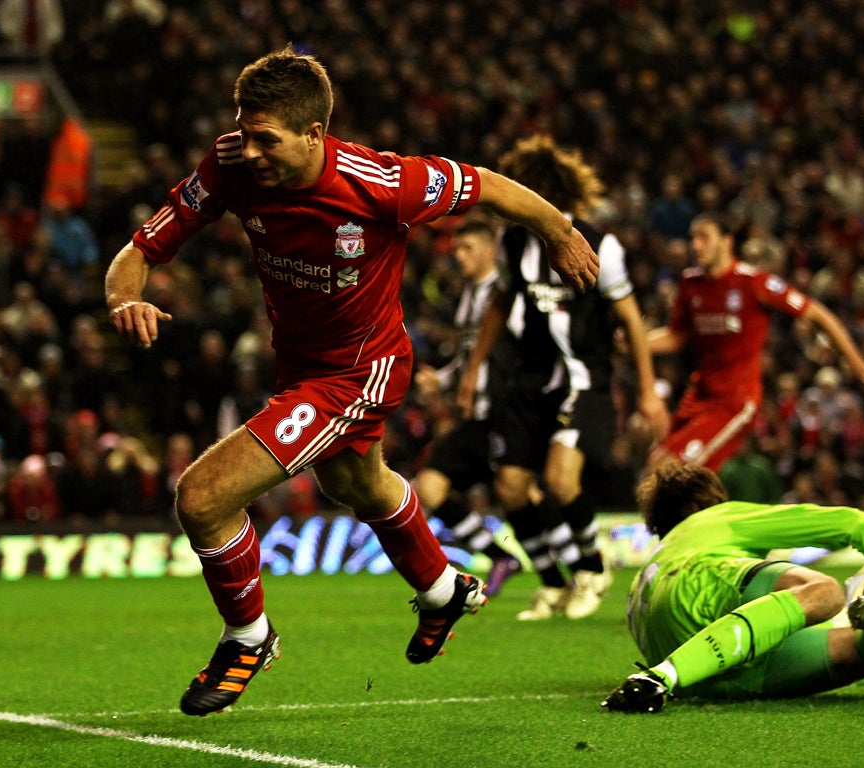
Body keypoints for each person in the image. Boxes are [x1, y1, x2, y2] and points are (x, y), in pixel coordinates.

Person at [104, 46, 599, 717]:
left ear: (315, 134)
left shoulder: (381, 181)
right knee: (355, 484)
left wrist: (561, 231)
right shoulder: (228, 165)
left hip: (357, 372)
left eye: (266, 139)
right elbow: (141, 248)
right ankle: (442, 590)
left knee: (202, 497)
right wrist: (122, 300)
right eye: (244, 133)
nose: (249, 151)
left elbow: (483, 183)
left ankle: (248, 637)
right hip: (301, 365)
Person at [459, 136, 669, 621]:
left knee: (559, 479)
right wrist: (474, 371)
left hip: (583, 378)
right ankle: (553, 583)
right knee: (510, 488)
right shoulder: (512, 244)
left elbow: (632, 319)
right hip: (530, 380)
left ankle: (592, 569)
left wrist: (648, 391)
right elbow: (499, 304)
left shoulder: (599, 242)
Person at [602, 461, 864, 713]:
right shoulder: (715, 518)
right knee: (824, 592)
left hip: (702, 675)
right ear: (713, 500)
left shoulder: (637, 586)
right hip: (695, 586)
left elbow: (755, 622)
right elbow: (852, 523)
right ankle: (659, 676)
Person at [646, 211, 864, 472]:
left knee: (668, 469)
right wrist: (637, 342)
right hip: (698, 394)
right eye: (693, 238)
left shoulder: (754, 283)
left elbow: (819, 314)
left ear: (727, 242)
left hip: (734, 400)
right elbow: (675, 336)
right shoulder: (690, 283)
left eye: (704, 237)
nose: (696, 245)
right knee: (660, 464)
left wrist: (860, 365)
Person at [411, 218, 522, 596]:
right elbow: (469, 358)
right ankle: (501, 556)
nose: (458, 256)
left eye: (467, 248)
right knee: (431, 486)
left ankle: (572, 574)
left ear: (491, 250)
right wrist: (441, 380)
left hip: (506, 413)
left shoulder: (507, 295)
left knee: (527, 491)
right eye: (456, 249)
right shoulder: (469, 296)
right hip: (476, 417)